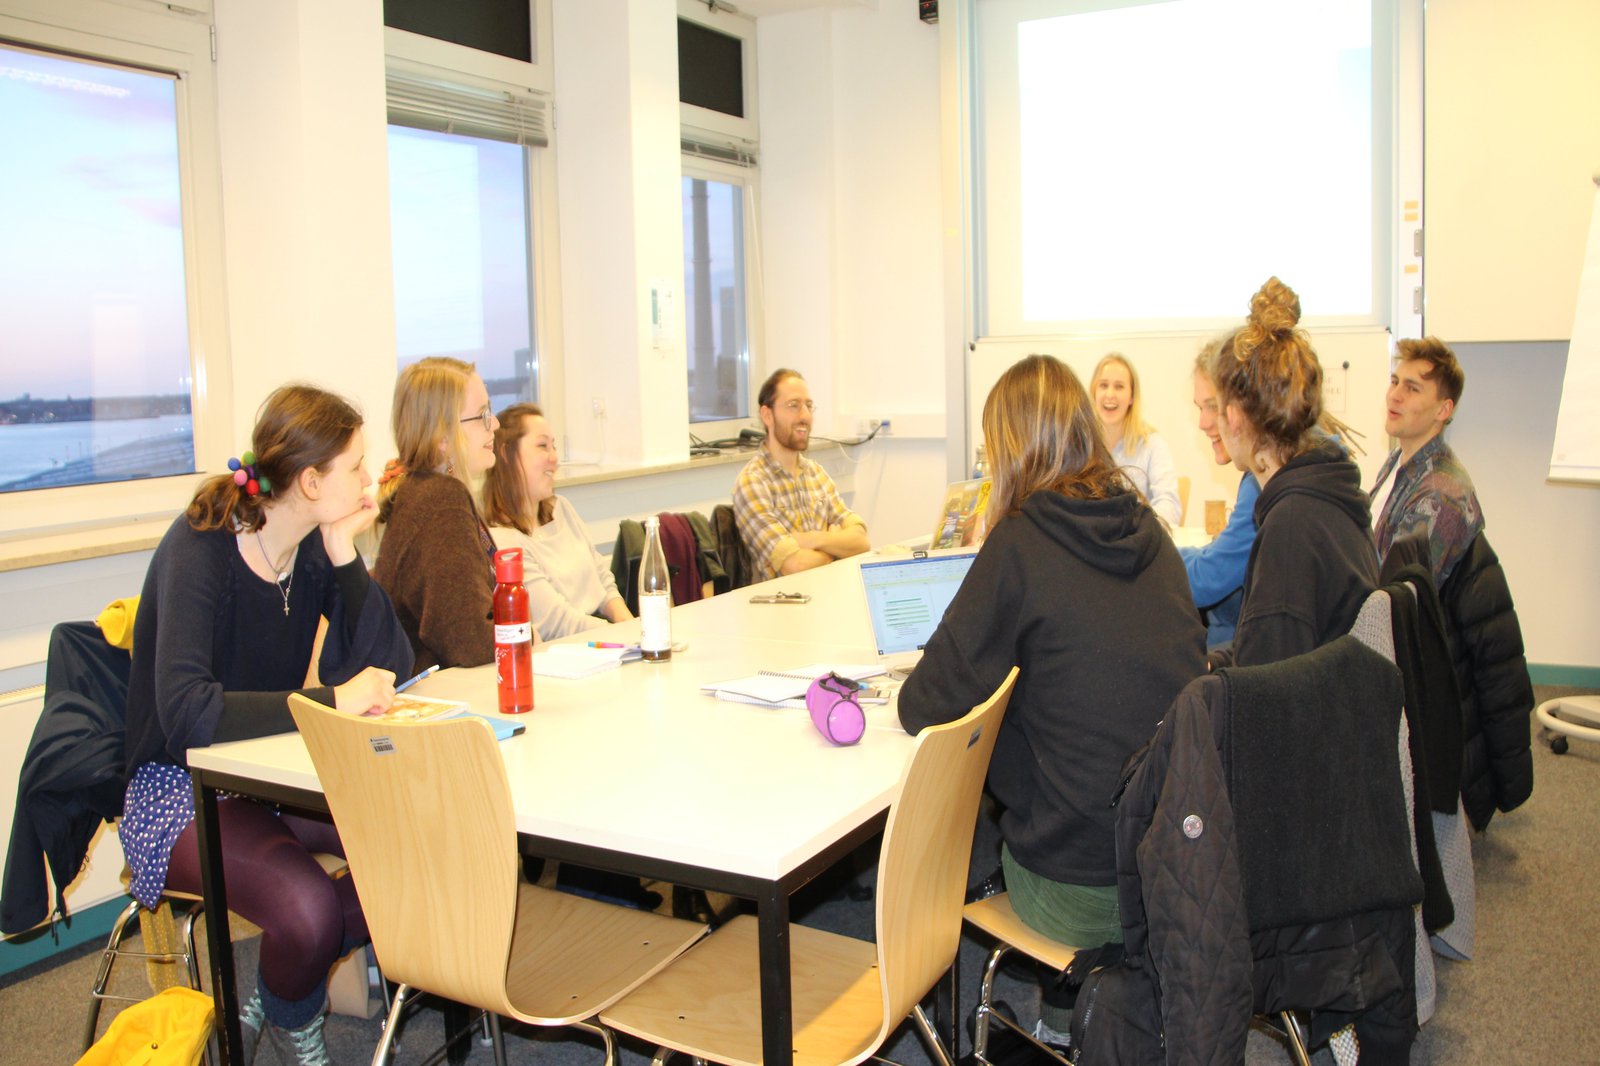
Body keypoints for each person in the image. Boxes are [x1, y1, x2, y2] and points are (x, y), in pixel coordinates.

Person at [898, 354, 1204, 1044]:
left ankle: (1068, 1023)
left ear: (1012, 450)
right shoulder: (1149, 531)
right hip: (1177, 864)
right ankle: (1082, 1018)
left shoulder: (1021, 543)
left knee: (990, 800)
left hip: (1080, 890)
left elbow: (923, 706)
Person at [120, 385, 412, 1065]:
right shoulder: (203, 548)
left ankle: (282, 990)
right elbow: (188, 711)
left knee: (416, 839)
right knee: (307, 911)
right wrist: (328, 701)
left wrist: (345, 555)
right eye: (356, 467)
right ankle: (294, 1005)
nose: (371, 479)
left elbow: (390, 665)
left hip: (271, 771)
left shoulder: (311, 548)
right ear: (310, 481)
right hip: (177, 786)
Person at [1207, 278, 1377, 666]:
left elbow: (1269, 693)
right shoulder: (1329, 492)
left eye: (1215, 407)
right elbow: (1271, 643)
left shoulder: (1290, 528)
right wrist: (1216, 665)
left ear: (1233, 418)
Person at [374, 357, 502, 670]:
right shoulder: (440, 500)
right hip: (437, 703)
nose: (495, 424)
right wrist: (526, 634)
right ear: (442, 437)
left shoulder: (423, 492)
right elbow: (469, 642)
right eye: (482, 415)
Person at [483, 403, 632, 639]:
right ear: (505, 454)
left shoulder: (561, 508)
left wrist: (629, 623)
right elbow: (555, 622)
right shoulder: (503, 539)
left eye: (554, 446)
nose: (554, 458)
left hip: (606, 635)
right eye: (542, 446)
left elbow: (602, 579)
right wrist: (623, 635)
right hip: (570, 648)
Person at [732, 369, 869, 581]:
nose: (805, 416)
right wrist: (836, 546)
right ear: (767, 415)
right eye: (794, 406)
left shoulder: (816, 473)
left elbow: (861, 542)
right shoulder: (753, 482)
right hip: (783, 606)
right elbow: (794, 566)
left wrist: (813, 539)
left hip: (828, 593)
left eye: (808, 406)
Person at [1368, 336, 1482, 589]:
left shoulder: (1441, 494)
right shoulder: (1395, 463)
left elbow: (1395, 599)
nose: (1394, 396)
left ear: (1443, 410)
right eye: (1395, 382)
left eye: (1412, 388)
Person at [1178, 342, 1261, 649]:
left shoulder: (1262, 486)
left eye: (1212, 406)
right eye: (1200, 408)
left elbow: (1208, 579)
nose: (1203, 422)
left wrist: (1152, 555)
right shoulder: (1257, 476)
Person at [1091, 353, 1182, 526]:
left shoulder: (1153, 444)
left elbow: (1169, 505)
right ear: (1094, 393)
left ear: (1132, 396)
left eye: (1119, 387)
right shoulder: (1080, 445)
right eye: (1103, 385)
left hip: (1138, 542)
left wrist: (1137, 530)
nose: (1110, 394)